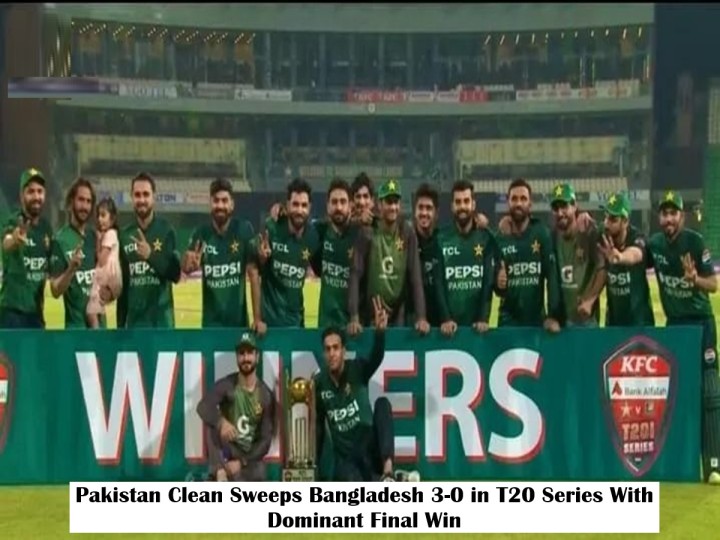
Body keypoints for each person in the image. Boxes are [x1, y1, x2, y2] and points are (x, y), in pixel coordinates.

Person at [615, 191, 719, 484]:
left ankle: (713, 463)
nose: (669, 219)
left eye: (674, 213)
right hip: (675, 327)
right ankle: (678, 460)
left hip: (700, 324)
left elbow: (713, 284)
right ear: (659, 217)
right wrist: (622, 257)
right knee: (677, 394)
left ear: (682, 216)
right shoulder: (656, 244)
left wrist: (695, 280)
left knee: (710, 392)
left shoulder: (695, 242)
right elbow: (638, 255)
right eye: (665, 213)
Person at [314, 296, 407, 481]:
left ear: (343, 351)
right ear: (323, 353)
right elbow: (319, 427)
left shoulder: (357, 368)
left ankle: (388, 471)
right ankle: (390, 480)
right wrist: (314, 466)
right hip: (347, 459)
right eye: (328, 349)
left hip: (370, 448)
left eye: (336, 348)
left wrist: (379, 333)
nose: (332, 353)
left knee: (382, 404)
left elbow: (376, 358)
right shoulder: (319, 383)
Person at [347, 179, 429, 334]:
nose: (393, 207)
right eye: (389, 202)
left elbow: (415, 276)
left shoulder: (407, 232)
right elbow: (355, 274)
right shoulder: (367, 232)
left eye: (396, 202)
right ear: (379, 204)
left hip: (398, 313)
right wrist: (354, 317)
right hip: (369, 314)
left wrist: (421, 317)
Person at [196, 332, 275, 482]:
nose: (246, 358)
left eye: (250, 353)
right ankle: (220, 473)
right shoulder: (227, 385)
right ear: (237, 357)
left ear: (257, 357)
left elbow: (265, 441)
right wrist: (221, 422)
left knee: (260, 471)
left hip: (248, 459)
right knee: (212, 425)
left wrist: (242, 462)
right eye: (241, 353)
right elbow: (203, 406)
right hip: (228, 452)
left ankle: (225, 477)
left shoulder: (265, 395)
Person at [248, 177, 320, 334]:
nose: (299, 210)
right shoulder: (272, 227)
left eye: (304, 205)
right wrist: (257, 319)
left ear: (310, 207)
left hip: (297, 325)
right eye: (295, 204)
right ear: (287, 205)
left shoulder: (313, 236)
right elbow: (253, 267)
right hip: (268, 327)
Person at [181, 178, 255, 328]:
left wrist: (257, 317)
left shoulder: (244, 229)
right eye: (216, 201)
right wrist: (189, 265)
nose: (220, 205)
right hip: (211, 326)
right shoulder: (201, 233)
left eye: (224, 201)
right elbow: (186, 267)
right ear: (210, 203)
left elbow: (254, 274)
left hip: (238, 326)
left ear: (232, 204)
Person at [494, 178, 561, 331]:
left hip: (536, 323)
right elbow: (497, 289)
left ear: (530, 204)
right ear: (508, 203)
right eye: (514, 199)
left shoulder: (542, 234)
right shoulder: (499, 239)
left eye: (523, 199)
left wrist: (552, 315)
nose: (518, 203)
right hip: (507, 323)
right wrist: (498, 283)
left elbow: (552, 277)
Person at [117, 172, 181, 328]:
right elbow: (124, 288)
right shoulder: (124, 235)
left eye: (146, 194)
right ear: (132, 197)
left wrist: (150, 255)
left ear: (154, 197)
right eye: (137, 195)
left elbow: (175, 274)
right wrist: (120, 327)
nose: (142, 200)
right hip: (135, 327)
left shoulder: (166, 230)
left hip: (162, 325)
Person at [434, 180, 496, 336]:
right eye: (458, 202)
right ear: (452, 206)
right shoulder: (440, 238)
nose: (462, 206)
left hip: (477, 329)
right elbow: (438, 283)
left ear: (473, 205)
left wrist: (483, 318)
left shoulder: (485, 238)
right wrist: (445, 318)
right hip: (448, 330)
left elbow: (487, 283)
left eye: (466, 201)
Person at [0, 168, 53, 328]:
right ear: (21, 195)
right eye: (31, 191)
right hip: (12, 313)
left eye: (40, 191)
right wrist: (15, 240)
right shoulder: (12, 222)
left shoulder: (46, 228)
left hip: (36, 314)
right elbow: (6, 242)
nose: (36, 196)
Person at [550, 183, 606, 327]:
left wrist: (590, 300)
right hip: (563, 322)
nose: (560, 213)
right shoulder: (552, 238)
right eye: (556, 208)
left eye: (564, 206)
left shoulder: (589, 232)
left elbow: (602, 269)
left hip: (588, 320)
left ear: (575, 206)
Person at [596, 191, 654, 327]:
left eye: (613, 219)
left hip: (640, 322)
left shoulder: (637, 237)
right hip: (613, 322)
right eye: (606, 217)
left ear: (625, 221)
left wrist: (620, 257)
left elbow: (636, 254)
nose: (607, 224)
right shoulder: (603, 235)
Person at [48, 178, 98, 328]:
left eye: (89, 201)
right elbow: (55, 290)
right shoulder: (60, 240)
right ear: (71, 202)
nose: (85, 206)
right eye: (81, 200)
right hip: (76, 329)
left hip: (99, 327)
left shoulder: (94, 237)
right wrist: (71, 269)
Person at [310, 178, 360, 328]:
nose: (338, 207)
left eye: (343, 202)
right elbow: (296, 222)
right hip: (326, 325)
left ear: (351, 206)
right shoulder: (319, 231)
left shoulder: (360, 234)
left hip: (353, 326)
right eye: (334, 202)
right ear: (327, 206)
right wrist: (280, 210)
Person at [86, 197, 122, 329]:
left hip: (108, 276)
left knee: (91, 311)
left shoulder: (110, 234)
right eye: (98, 216)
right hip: (111, 278)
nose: (99, 219)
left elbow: (101, 260)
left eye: (103, 215)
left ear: (112, 218)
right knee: (98, 306)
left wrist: (98, 241)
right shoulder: (113, 234)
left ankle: (97, 335)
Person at [410, 183, 441, 328]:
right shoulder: (406, 240)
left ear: (436, 213)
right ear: (414, 211)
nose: (424, 213)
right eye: (420, 208)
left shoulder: (442, 241)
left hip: (440, 324)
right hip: (412, 323)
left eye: (429, 208)